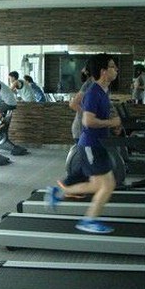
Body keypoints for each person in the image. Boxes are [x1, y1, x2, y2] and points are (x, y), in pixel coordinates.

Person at [45, 53, 122, 234]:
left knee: (101, 184)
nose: (116, 69)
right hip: (91, 145)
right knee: (106, 185)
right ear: (103, 71)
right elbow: (88, 121)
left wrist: (113, 124)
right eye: (112, 66)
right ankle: (88, 221)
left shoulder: (103, 90)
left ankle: (59, 193)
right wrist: (111, 123)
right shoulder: (93, 91)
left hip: (97, 144)